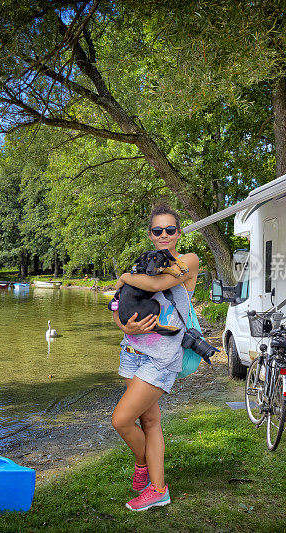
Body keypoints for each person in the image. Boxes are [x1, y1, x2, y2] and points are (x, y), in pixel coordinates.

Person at [111, 203, 199, 511]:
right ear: (151, 235)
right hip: (131, 351)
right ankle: (158, 489)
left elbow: (156, 284)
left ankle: (142, 464)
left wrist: (124, 275)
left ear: (178, 233)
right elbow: (118, 305)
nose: (164, 235)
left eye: (170, 230)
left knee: (121, 420)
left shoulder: (186, 261)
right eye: (158, 230)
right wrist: (126, 324)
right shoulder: (144, 262)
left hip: (160, 358)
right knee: (149, 420)